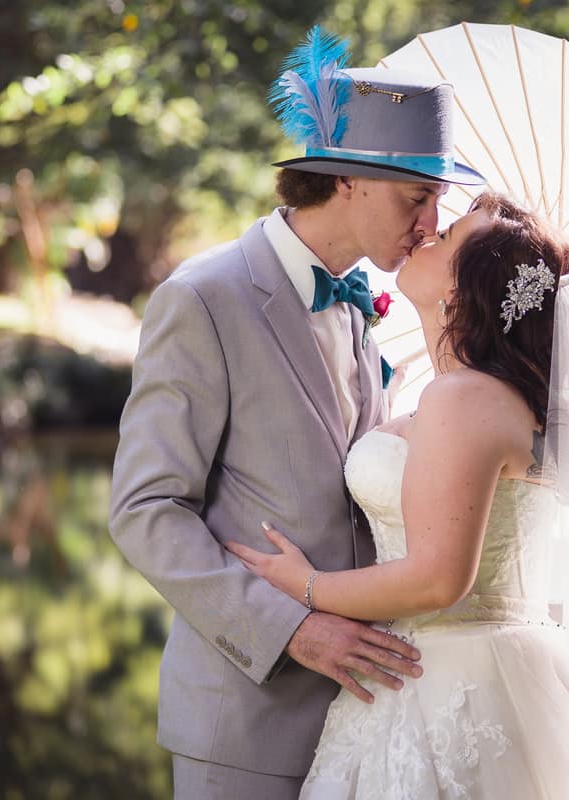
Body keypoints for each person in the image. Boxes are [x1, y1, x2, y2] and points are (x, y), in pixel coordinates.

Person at [108, 27, 485, 799]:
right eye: (420, 197)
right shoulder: (202, 299)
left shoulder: (361, 307)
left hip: (370, 726)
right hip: (244, 722)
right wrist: (295, 630)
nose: (430, 222)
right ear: (347, 180)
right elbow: (145, 510)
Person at [227, 190, 569, 798]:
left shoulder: (463, 397)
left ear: (464, 291)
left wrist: (308, 588)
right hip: (444, 672)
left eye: (450, 235)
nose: (427, 230)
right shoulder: (478, 396)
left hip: (448, 686)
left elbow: (439, 580)